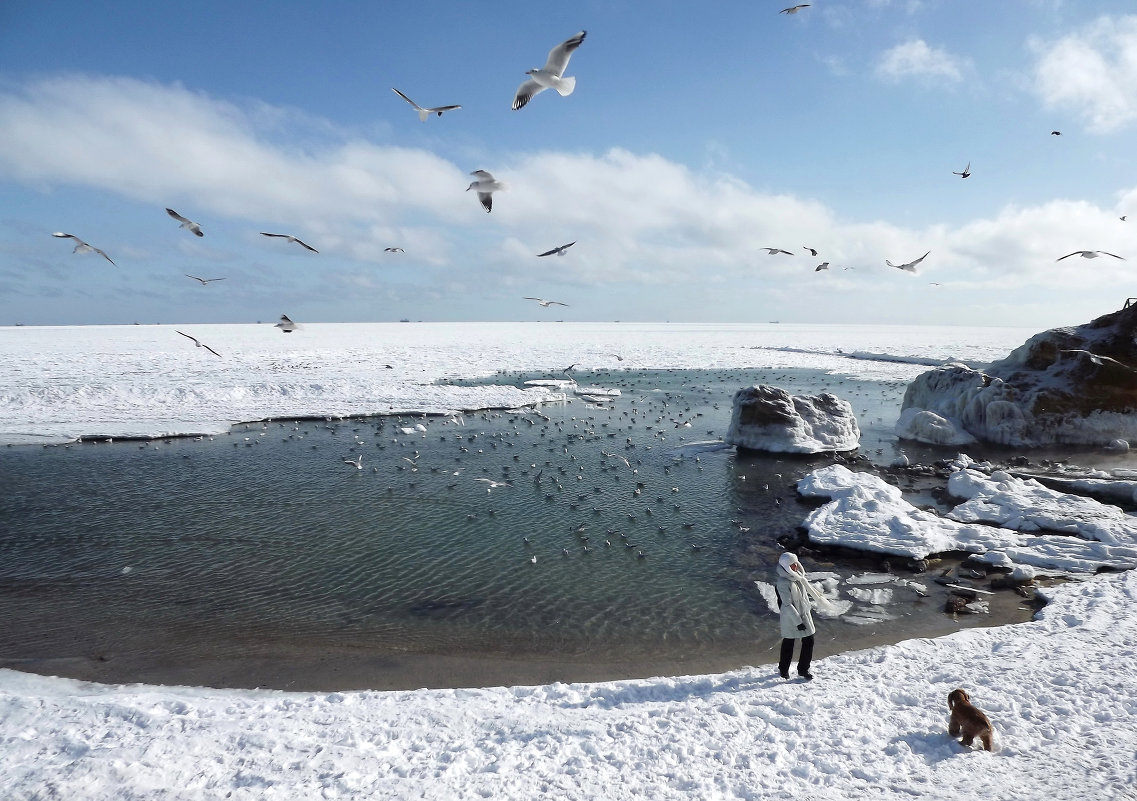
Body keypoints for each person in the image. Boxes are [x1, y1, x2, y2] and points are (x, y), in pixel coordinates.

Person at [773, 551, 833, 681]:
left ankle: (803, 669)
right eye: (792, 564)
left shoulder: (798, 577)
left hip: (804, 614)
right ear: (786, 567)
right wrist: (798, 622)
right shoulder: (783, 582)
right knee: (789, 643)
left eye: (795, 563)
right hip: (791, 618)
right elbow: (787, 605)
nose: (795, 566)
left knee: (809, 641)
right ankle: (783, 669)